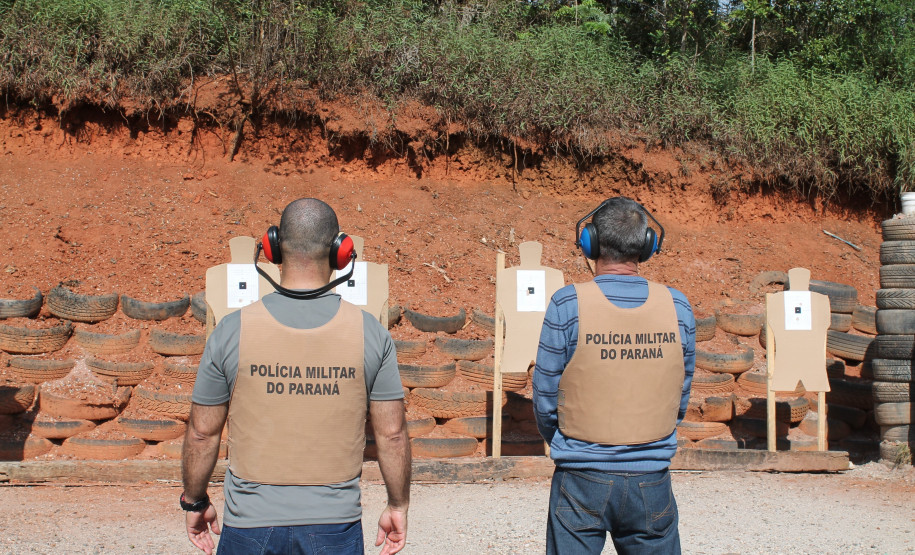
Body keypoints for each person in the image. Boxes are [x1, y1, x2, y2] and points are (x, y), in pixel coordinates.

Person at [181, 198, 411, 555]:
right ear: (341, 252)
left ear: (272, 248)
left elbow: (201, 433)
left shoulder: (230, 331)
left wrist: (195, 502)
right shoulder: (371, 333)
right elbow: (391, 435)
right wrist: (398, 506)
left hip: (248, 526)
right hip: (335, 526)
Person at [532, 196, 695, 554]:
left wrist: (568, 438)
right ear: (649, 245)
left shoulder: (566, 304)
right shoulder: (677, 306)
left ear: (589, 242)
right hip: (652, 480)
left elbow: (545, 398)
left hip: (580, 479)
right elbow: (679, 395)